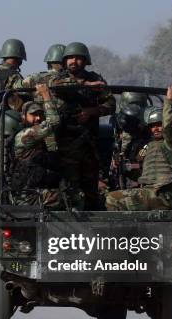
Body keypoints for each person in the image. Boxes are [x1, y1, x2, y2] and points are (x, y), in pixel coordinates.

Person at [52, 42, 116, 209]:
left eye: (79, 58)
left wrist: (92, 111)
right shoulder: (58, 78)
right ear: (65, 61)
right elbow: (58, 88)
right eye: (71, 58)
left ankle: (92, 220)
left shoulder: (95, 79)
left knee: (90, 184)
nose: (74, 61)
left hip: (88, 141)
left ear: (86, 61)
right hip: (64, 142)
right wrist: (86, 86)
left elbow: (111, 104)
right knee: (67, 185)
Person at [105, 85, 172, 211]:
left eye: (159, 124)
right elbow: (144, 175)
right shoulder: (150, 146)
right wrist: (123, 167)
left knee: (111, 199)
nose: (156, 128)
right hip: (152, 194)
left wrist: (170, 101)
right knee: (108, 196)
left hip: (164, 196)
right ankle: (130, 229)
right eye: (152, 126)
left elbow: (169, 128)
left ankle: (120, 231)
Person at [9, 84, 62, 209]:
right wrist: (46, 95)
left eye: (40, 114)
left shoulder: (35, 136)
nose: (38, 118)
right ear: (23, 117)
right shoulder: (25, 135)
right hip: (26, 197)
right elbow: (53, 122)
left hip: (34, 191)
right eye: (33, 114)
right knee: (71, 198)